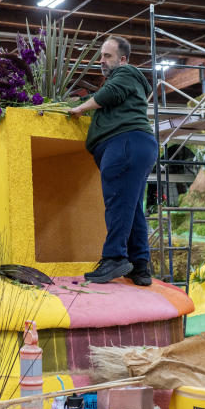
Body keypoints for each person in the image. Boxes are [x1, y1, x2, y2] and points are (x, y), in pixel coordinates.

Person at [68, 36, 157, 285]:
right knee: (132, 208)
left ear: (123, 58)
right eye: (101, 56)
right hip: (135, 145)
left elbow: (111, 92)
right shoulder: (128, 83)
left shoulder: (126, 73)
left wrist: (80, 109)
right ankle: (139, 266)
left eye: (107, 56)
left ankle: (114, 258)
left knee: (118, 202)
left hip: (125, 144)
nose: (102, 61)